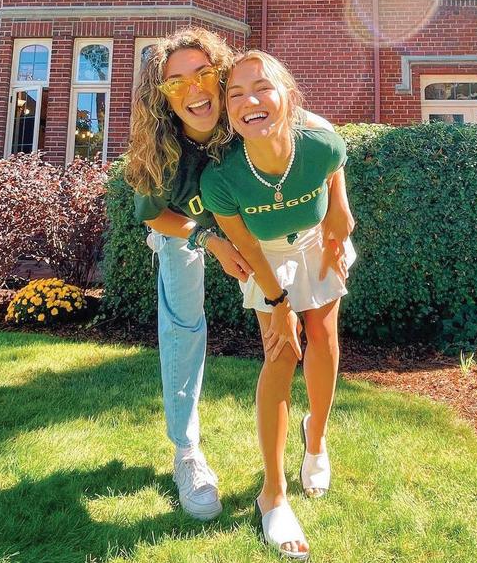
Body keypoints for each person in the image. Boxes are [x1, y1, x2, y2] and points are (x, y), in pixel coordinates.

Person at [124, 29, 353, 524]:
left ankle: (310, 443)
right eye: (176, 82)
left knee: (297, 340)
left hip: (253, 230)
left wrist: (338, 205)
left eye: (203, 74)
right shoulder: (162, 149)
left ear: (221, 77)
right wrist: (209, 241)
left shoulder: (243, 108)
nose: (193, 89)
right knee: (184, 327)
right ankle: (187, 452)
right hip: (186, 228)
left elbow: (316, 137)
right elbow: (154, 215)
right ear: (162, 96)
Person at [200, 50, 355, 560]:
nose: (250, 101)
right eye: (235, 94)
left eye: (262, 87)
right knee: (280, 353)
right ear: (228, 111)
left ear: (287, 95)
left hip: (315, 240)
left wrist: (339, 211)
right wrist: (279, 302)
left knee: (324, 339)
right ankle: (273, 494)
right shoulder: (221, 179)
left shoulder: (319, 141)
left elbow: (334, 160)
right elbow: (244, 246)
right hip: (265, 257)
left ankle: (316, 438)